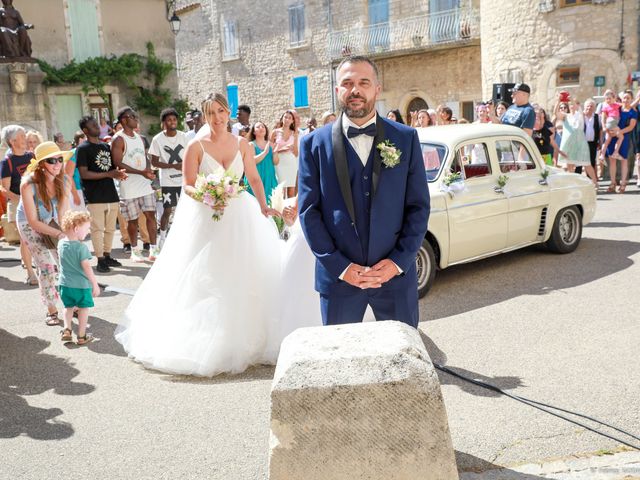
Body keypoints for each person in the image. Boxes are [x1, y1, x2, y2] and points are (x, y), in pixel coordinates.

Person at [115, 93, 282, 377]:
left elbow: (253, 177)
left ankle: (249, 335)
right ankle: (211, 339)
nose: (216, 118)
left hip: (241, 212)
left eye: (220, 111)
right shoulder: (195, 146)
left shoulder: (242, 143)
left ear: (228, 112)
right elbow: (188, 185)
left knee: (247, 270)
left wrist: (265, 206)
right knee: (209, 275)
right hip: (209, 214)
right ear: (204, 117)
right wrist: (207, 195)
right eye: (210, 113)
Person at [298, 55, 430, 327]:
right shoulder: (312, 144)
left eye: (363, 82)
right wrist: (342, 268)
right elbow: (309, 212)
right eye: (347, 83)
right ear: (338, 91)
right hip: (339, 281)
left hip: (394, 279)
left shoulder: (405, 138)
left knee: (401, 361)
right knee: (342, 361)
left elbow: (418, 207)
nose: (355, 90)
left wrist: (396, 262)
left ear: (377, 89)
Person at [16, 141, 71, 326]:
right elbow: (32, 221)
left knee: (64, 260)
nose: (57, 164)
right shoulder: (28, 184)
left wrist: (66, 233)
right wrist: (58, 234)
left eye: (59, 159)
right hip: (28, 223)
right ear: (41, 164)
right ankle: (51, 309)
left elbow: (63, 212)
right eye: (51, 161)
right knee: (46, 265)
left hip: (50, 220)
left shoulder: (64, 180)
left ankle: (70, 305)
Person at [76, 116, 127, 273]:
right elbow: (84, 174)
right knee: (97, 229)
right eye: (92, 125)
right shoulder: (83, 149)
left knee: (111, 228)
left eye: (96, 124)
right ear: (85, 130)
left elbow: (111, 169)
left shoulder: (105, 147)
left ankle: (107, 255)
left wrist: (118, 174)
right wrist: (109, 174)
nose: (97, 127)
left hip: (111, 193)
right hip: (94, 196)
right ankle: (100, 259)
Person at [111, 106, 158, 262]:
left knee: (151, 216)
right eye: (132, 116)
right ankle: (135, 250)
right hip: (129, 187)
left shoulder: (139, 137)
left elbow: (144, 157)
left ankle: (154, 249)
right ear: (124, 120)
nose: (136, 118)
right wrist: (141, 173)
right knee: (132, 221)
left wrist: (149, 171)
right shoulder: (118, 139)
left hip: (144, 184)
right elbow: (118, 164)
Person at [57, 211, 100, 345]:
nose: (87, 232)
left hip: (64, 284)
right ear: (76, 229)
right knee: (83, 309)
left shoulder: (61, 243)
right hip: (81, 285)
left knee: (68, 307)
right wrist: (95, 283)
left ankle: (67, 329)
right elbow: (86, 267)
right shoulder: (82, 248)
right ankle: (81, 336)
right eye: (86, 229)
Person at [1, 125, 36, 284]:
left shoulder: (32, 156)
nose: (26, 139)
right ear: (12, 141)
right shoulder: (7, 162)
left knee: (36, 237)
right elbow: (3, 188)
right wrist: (21, 198)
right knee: (25, 239)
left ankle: (40, 266)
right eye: (22, 136)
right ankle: (30, 273)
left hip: (35, 202)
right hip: (17, 204)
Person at [149, 108, 187, 250]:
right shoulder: (157, 139)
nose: (172, 122)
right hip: (167, 180)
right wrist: (172, 166)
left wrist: (183, 166)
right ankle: (163, 238)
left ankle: (183, 238)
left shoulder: (184, 137)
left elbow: (190, 155)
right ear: (164, 122)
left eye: (174, 119)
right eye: (169, 120)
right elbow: (154, 162)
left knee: (184, 209)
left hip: (184, 180)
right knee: (167, 210)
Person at [555, 98, 597, 185]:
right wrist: (558, 101)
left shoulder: (580, 114)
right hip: (569, 144)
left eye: (574, 104)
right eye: (570, 104)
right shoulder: (565, 116)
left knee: (587, 164)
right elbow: (556, 113)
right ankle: (573, 184)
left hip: (580, 144)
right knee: (570, 165)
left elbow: (581, 109)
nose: (572, 105)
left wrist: (572, 99)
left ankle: (595, 182)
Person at [604, 90, 638, 193]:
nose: (626, 100)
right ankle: (613, 183)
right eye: (624, 97)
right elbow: (607, 110)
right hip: (612, 136)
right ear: (621, 99)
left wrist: (619, 132)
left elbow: (631, 127)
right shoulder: (617, 107)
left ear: (631, 99)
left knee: (624, 161)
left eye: (628, 98)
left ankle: (623, 184)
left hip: (624, 137)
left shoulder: (633, 112)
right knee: (612, 161)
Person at [246, 121, 279, 201]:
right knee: (255, 204)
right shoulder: (251, 144)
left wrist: (275, 153)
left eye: (263, 126)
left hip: (269, 177)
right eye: (258, 127)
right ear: (254, 132)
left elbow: (275, 162)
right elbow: (252, 161)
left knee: (270, 203)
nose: (261, 128)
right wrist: (264, 153)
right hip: (256, 177)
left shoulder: (271, 144)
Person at [272, 109, 299, 199]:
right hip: (279, 162)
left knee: (291, 191)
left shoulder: (294, 133)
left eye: (289, 118)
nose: (287, 119)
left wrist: (295, 138)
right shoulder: (275, 132)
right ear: (282, 119)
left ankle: (290, 212)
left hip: (291, 162)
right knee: (281, 191)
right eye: (285, 117)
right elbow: (270, 149)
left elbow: (296, 153)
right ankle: (280, 212)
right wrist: (282, 149)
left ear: (292, 121)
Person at [579, 99, 601, 177]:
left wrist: (600, 142)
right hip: (581, 143)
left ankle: (590, 180)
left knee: (591, 162)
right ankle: (578, 179)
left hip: (592, 143)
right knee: (579, 162)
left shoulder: (597, 116)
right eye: (588, 106)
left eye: (591, 106)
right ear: (584, 107)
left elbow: (599, 129)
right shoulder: (581, 116)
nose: (589, 108)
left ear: (594, 108)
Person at [65, 130, 87, 212]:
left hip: (87, 190)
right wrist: (75, 195)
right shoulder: (73, 153)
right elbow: (68, 175)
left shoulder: (86, 152)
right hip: (78, 191)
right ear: (81, 140)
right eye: (87, 138)